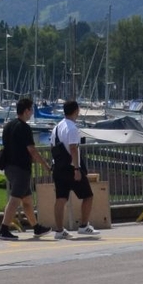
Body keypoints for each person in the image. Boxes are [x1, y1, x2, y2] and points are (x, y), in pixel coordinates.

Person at [49, 98, 98, 239]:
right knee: (88, 196)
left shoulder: (57, 127)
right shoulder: (72, 128)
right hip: (71, 168)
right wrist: (77, 169)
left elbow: (53, 147)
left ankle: (59, 230)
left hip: (58, 167)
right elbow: (73, 149)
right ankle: (83, 225)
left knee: (61, 198)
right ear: (76, 111)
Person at [0, 97, 39, 240]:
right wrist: (45, 165)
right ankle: (3, 228)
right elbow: (32, 150)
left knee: (27, 200)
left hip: (9, 166)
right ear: (26, 110)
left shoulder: (8, 126)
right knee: (15, 199)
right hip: (21, 168)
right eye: (31, 109)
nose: (32, 112)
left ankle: (36, 227)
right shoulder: (24, 128)